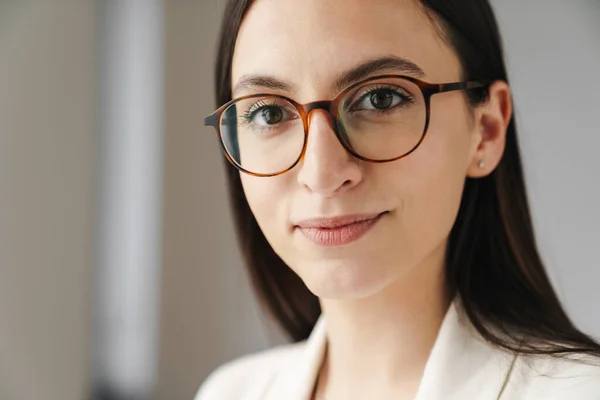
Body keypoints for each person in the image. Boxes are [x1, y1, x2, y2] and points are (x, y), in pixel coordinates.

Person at [195, 0, 600, 399]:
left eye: (380, 99)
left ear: (487, 129)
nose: (322, 174)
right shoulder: (229, 391)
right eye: (268, 113)